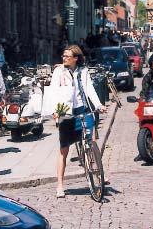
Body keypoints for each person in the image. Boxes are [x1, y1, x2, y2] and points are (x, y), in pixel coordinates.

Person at [49, 45, 106, 198]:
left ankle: (97, 171)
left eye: (67, 56)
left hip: (83, 109)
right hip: (66, 113)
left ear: (76, 58)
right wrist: (54, 111)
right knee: (64, 150)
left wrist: (99, 105)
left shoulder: (83, 71)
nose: (64, 58)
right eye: (63, 55)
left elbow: (89, 89)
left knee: (91, 140)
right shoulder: (58, 72)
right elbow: (53, 91)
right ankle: (60, 185)